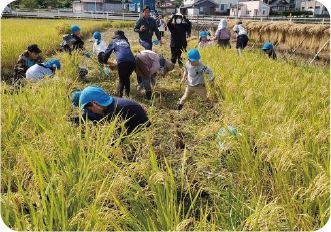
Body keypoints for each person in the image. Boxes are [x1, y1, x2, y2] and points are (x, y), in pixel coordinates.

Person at [79, 86, 150, 134]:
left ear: (95, 103)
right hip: (130, 128)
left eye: (90, 110)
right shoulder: (110, 105)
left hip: (142, 133)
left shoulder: (116, 110)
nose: (92, 112)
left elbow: (116, 135)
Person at [101, 30, 136, 98]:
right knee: (126, 77)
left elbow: (107, 52)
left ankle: (119, 97)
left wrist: (104, 62)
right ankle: (127, 94)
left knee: (122, 80)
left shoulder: (114, 41)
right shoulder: (126, 41)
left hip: (122, 61)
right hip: (132, 61)